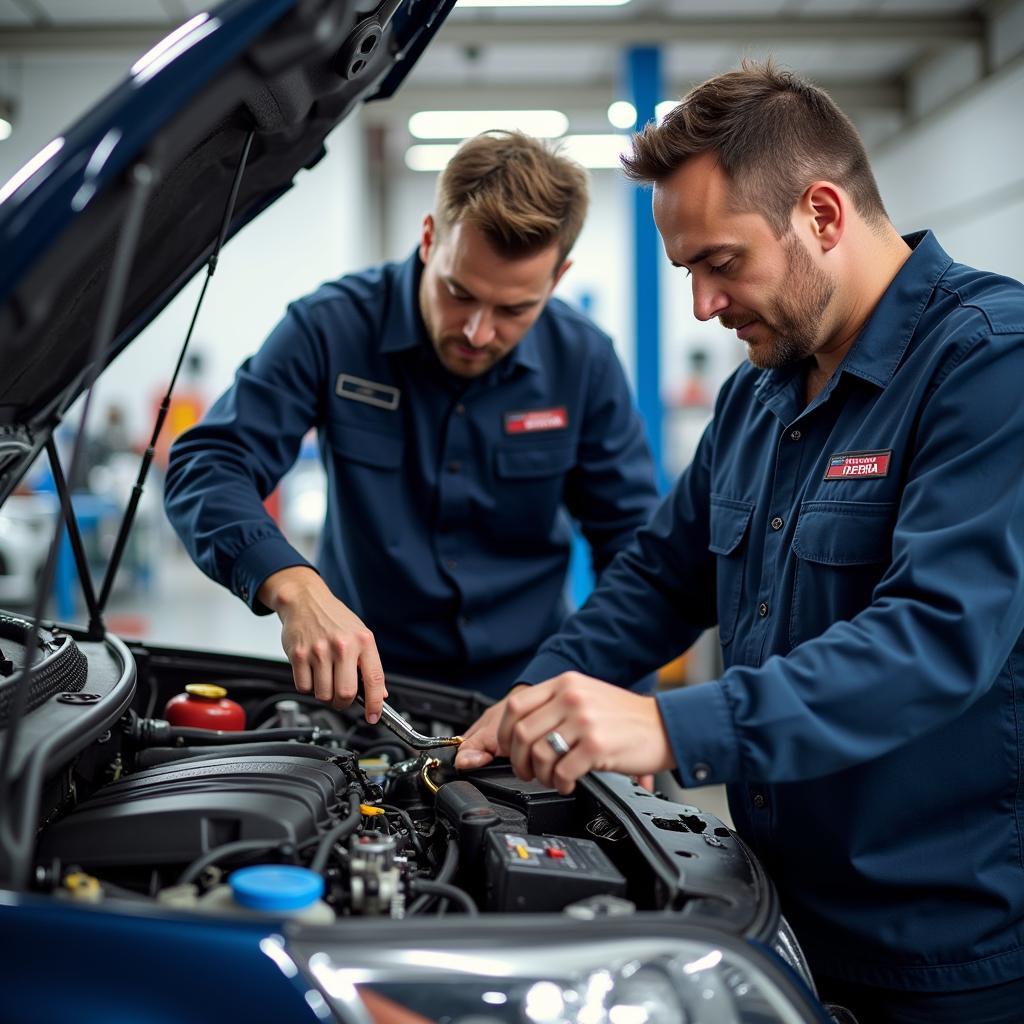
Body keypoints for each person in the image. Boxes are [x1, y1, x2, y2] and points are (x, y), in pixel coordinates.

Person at [455, 62, 1024, 1022]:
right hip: (765, 916)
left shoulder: (989, 362)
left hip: (937, 956)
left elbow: (933, 639)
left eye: (721, 262)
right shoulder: (760, 396)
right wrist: (529, 704)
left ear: (824, 214)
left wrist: (669, 727)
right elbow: (659, 579)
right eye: (687, 272)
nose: (703, 307)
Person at [164, 131, 659, 725]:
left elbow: (634, 547)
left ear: (557, 278)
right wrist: (292, 585)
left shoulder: (583, 360)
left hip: (527, 699)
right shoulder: (331, 329)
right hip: (365, 694)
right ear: (429, 238)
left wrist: (623, 695)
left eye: (513, 310)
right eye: (459, 292)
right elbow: (209, 461)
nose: (478, 332)